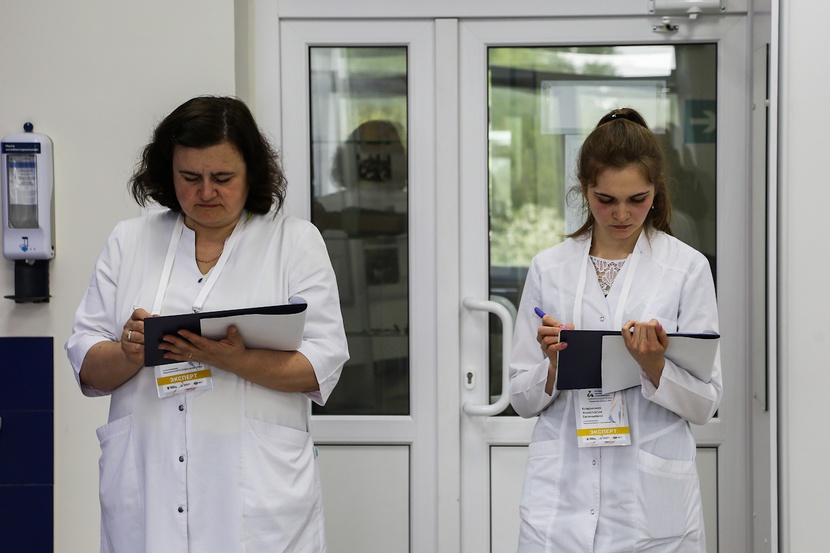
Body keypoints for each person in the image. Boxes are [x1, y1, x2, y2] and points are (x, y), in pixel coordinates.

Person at [65, 96, 349, 553]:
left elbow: (322, 365)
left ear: (251, 173)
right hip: (150, 490)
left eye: (222, 178)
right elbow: (86, 364)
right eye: (190, 177)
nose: (206, 193)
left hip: (255, 497)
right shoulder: (129, 241)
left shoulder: (294, 242)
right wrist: (128, 353)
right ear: (168, 172)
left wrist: (237, 360)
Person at [509, 107, 722, 552]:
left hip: (650, 501)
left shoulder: (686, 269)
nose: (622, 214)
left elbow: (705, 405)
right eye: (605, 199)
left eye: (637, 199)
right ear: (583, 187)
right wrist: (552, 366)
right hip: (561, 497)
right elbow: (522, 400)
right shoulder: (550, 268)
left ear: (656, 189)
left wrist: (654, 365)